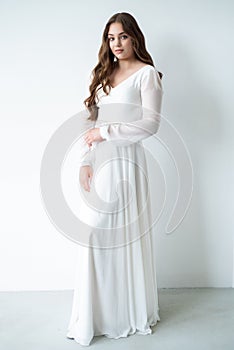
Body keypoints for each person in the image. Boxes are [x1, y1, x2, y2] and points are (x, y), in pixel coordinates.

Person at [66, 12, 164, 346]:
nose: (116, 44)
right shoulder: (104, 74)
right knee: (95, 236)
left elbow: (151, 125)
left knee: (117, 238)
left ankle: (124, 314)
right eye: (111, 38)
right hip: (103, 165)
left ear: (135, 37)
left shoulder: (146, 75)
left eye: (122, 36)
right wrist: (85, 161)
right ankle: (99, 315)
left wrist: (105, 133)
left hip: (128, 164)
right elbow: (90, 122)